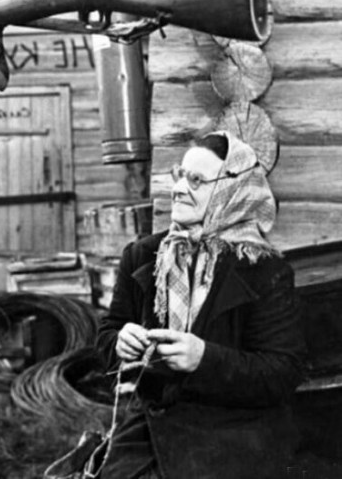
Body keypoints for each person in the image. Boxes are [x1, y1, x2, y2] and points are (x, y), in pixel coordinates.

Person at [95, 131, 306, 479]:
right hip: (155, 428)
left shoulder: (262, 268)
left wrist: (204, 359)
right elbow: (107, 334)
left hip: (235, 431)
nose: (179, 188)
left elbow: (282, 372)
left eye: (196, 181)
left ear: (231, 191)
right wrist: (119, 342)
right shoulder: (143, 255)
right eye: (179, 175)